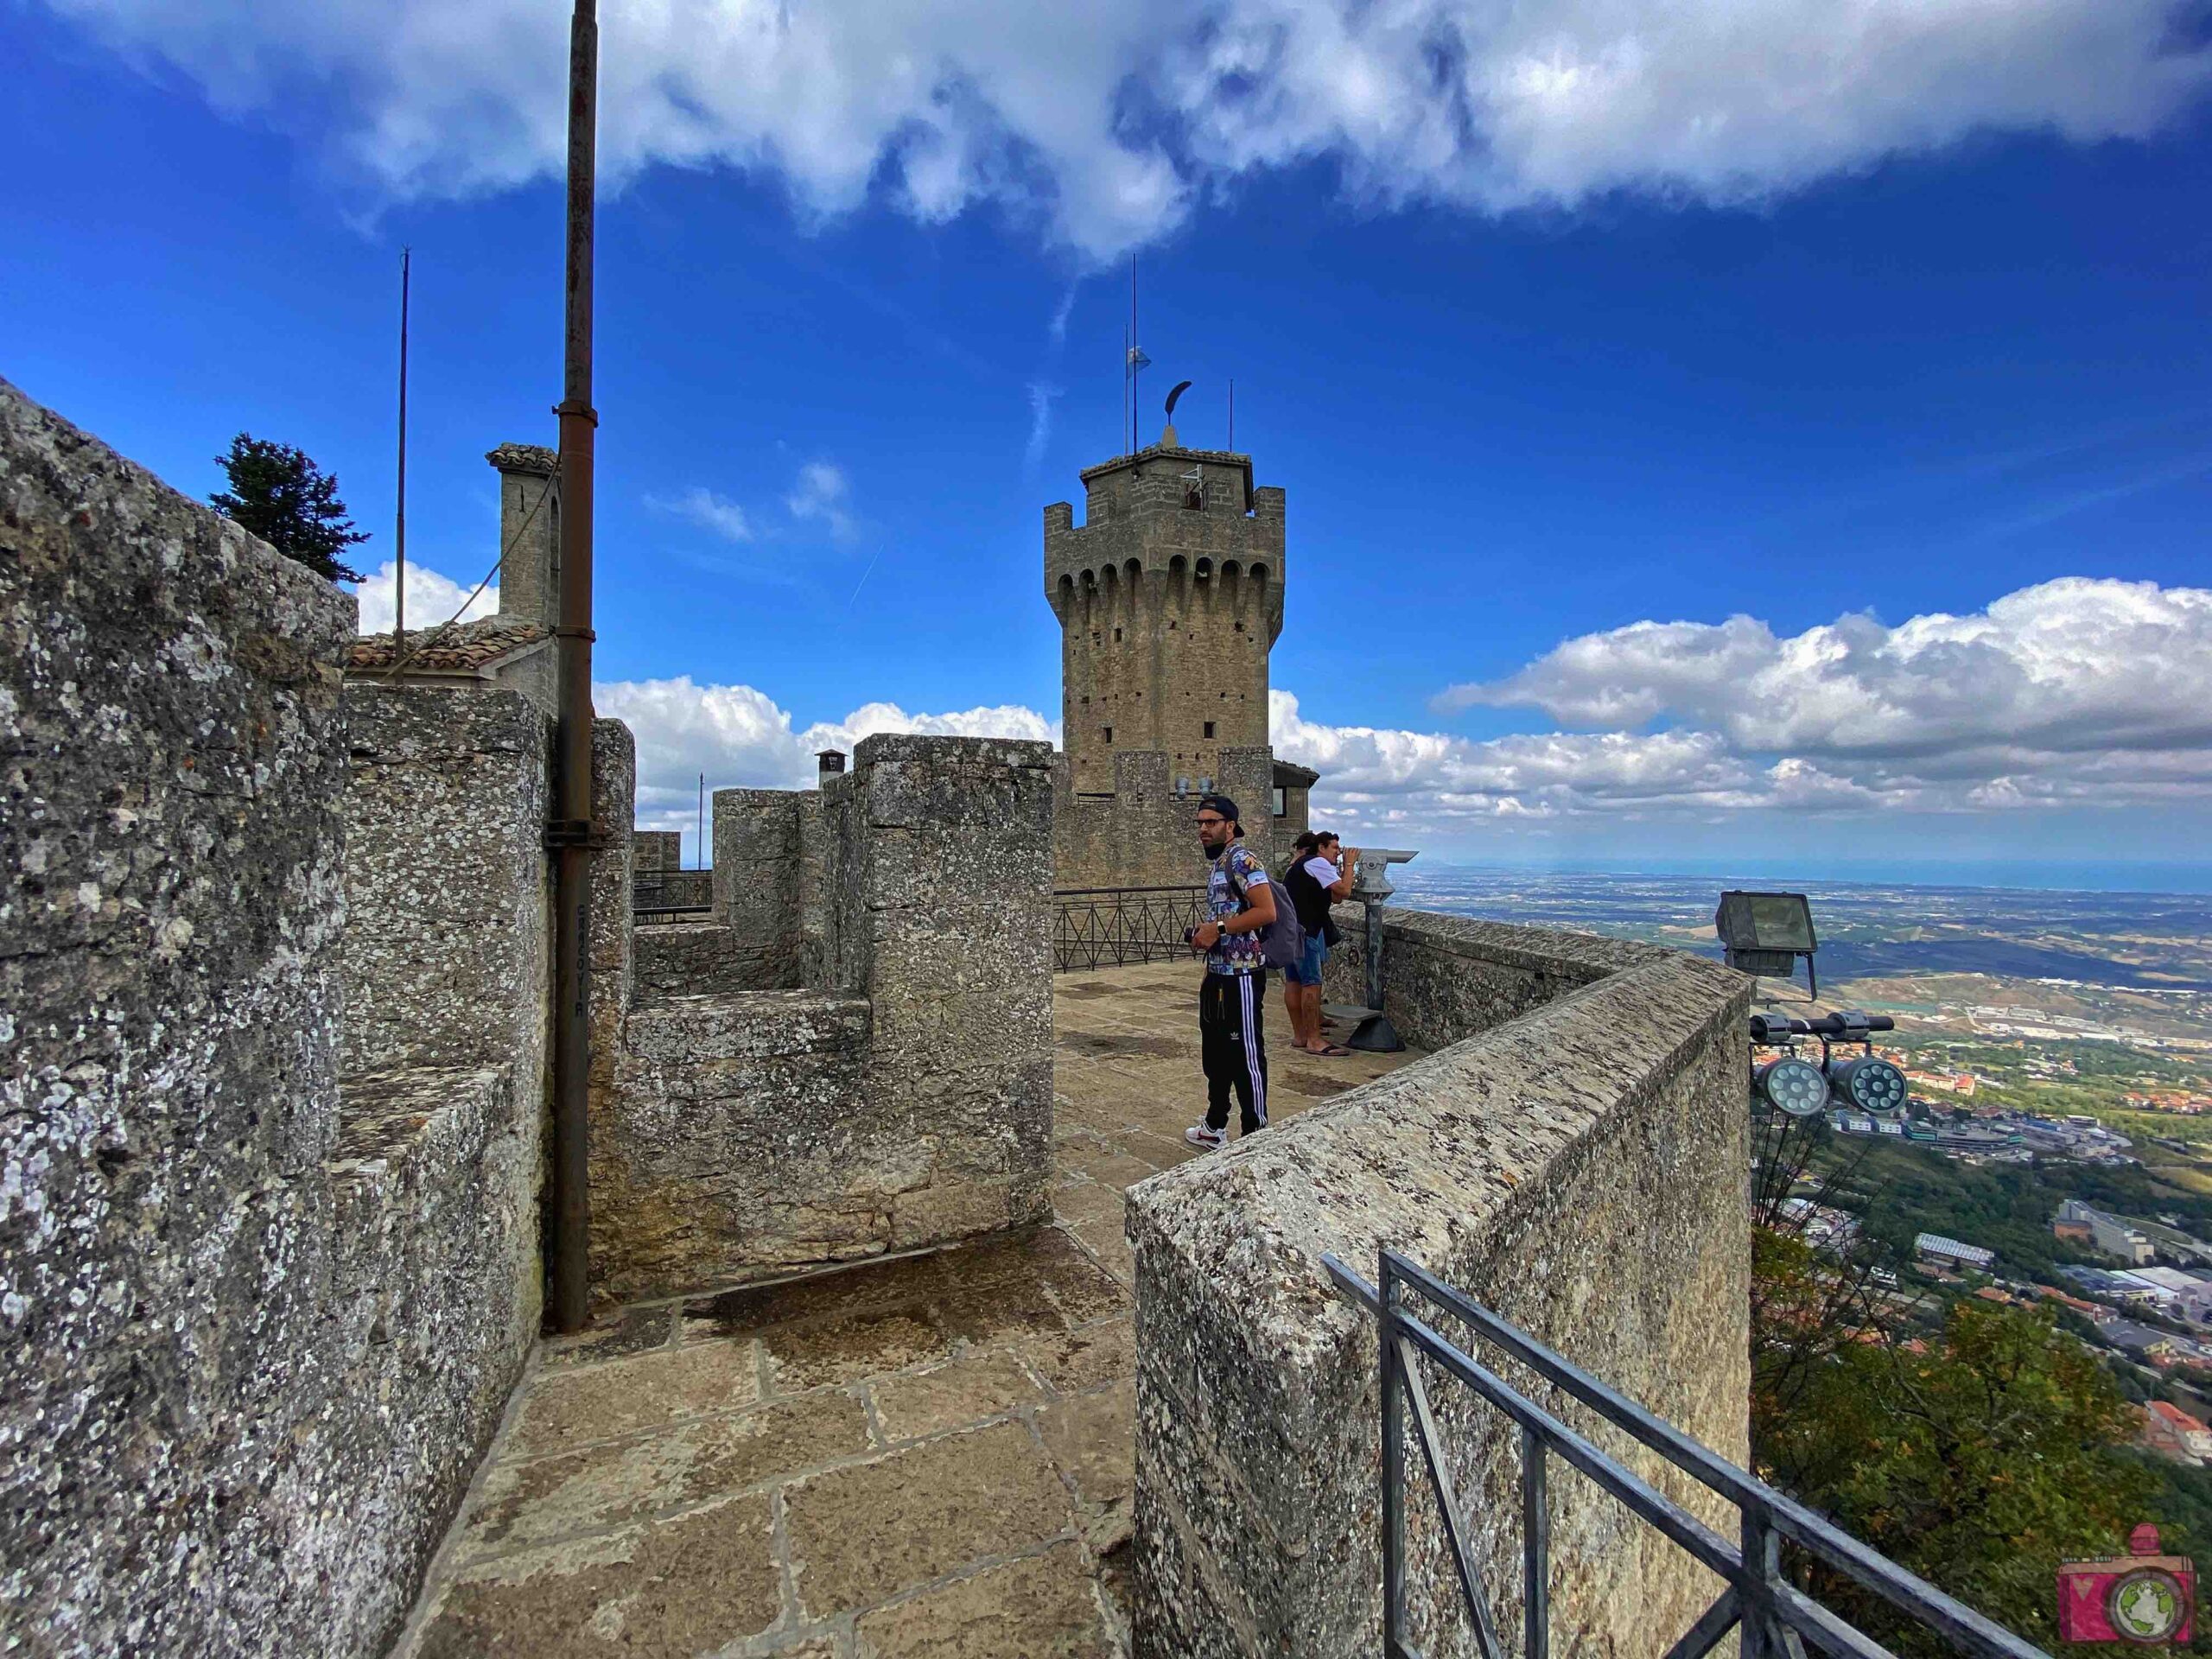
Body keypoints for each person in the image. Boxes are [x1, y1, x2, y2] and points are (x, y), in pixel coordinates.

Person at [1183, 794, 1278, 1152]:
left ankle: (1257, 1135)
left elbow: (1267, 912)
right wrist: (1207, 933)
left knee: (1247, 1056)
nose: (1203, 829)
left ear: (1230, 825)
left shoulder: (1243, 859)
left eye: (1211, 822)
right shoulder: (1221, 862)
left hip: (1242, 977)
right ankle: (1215, 1125)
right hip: (1219, 975)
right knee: (1216, 1054)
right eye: (1200, 823)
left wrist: (1218, 929)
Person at [1281, 831, 1357, 1055]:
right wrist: (1350, 864)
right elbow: (1345, 891)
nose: (1338, 852)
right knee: (1311, 984)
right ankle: (1315, 1040)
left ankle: (1300, 1036)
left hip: (1291, 931)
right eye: (1334, 848)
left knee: (1294, 983)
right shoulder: (1317, 862)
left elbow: (1335, 897)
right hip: (1307, 932)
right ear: (1321, 848)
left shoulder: (1300, 865)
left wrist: (1342, 870)